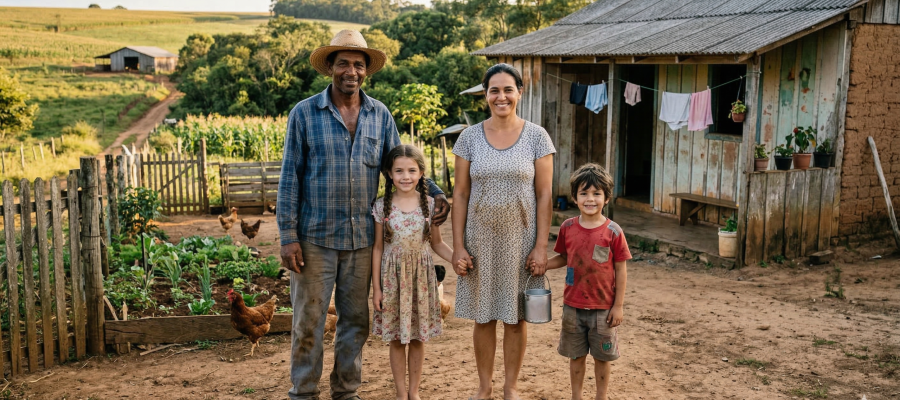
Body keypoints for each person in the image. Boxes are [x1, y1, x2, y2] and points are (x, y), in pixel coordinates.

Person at [277, 30, 450, 400]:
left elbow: (402, 164)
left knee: (355, 322)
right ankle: (304, 391)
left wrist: (434, 192)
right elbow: (289, 176)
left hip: (361, 241)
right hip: (314, 238)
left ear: (366, 71)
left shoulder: (379, 115)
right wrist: (287, 236)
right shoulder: (305, 113)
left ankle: (346, 391)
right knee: (308, 321)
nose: (351, 71)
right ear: (331, 68)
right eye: (343, 63)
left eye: (358, 64)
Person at [450, 63, 555, 400]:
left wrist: (541, 246)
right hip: (479, 240)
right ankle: (484, 386)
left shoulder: (537, 137)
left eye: (508, 89)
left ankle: (510, 387)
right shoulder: (469, 137)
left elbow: (544, 195)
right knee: (484, 317)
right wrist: (458, 246)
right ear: (485, 95)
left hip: (520, 241)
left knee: (514, 318)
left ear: (519, 93)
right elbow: (461, 194)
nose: (501, 96)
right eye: (494, 90)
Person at [371, 144, 454, 400]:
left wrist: (458, 259)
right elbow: (377, 249)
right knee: (396, 339)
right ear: (389, 174)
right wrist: (376, 289)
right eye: (399, 171)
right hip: (392, 281)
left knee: (418, 338)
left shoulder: (430, 204)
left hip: (421, 280)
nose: (405, 176)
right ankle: (400, 393)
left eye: (411, 170)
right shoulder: (380, 206)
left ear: (421, 173)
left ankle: (414, 392)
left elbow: (437, 243)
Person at [545, 163, 631, 400]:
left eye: (596, 194)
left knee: (603, 358)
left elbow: (620, 270)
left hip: (603, 309)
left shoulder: (613, 231)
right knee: (576, 356)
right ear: (575, 197)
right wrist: (543, 265)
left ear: (606, 198)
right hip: (572, 306)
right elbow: (563, 257)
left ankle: (601, 397)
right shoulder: (567, 227)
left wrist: (618, 305)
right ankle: (576, 396)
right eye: (584, 193)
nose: (590, 199)